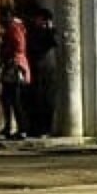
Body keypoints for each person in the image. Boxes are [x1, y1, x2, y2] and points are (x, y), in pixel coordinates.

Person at [0, 6, 30, 140]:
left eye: (3, 16)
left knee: (15, 99)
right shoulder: (12, 27)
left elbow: (19, 46)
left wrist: (5, 49)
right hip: (11, 65)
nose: (1, 19)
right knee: (5, 98)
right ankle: (8, 127)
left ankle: (22, 129)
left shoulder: (15, 28)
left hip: (15, 66)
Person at [26, 7, 58, 137]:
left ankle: (45, 129)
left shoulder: (50, 33)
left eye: (39, 18)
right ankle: (35, 128)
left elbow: (50, 44)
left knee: (47, 101)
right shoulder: (33, 32)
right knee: (35, 100)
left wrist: (50, 29)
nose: (36, 20)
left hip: (47, 71)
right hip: (36, 70)